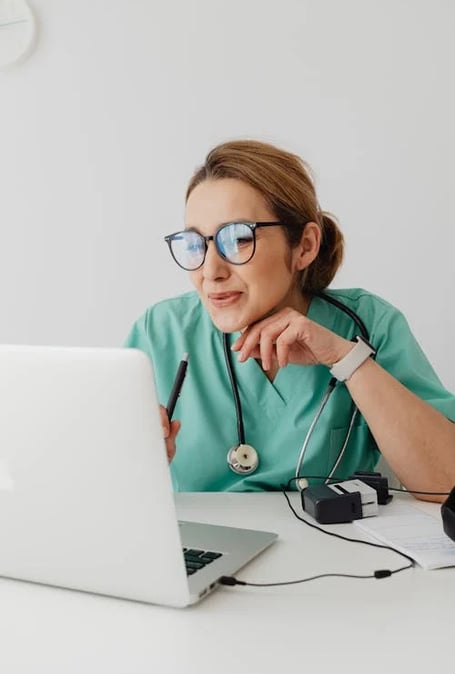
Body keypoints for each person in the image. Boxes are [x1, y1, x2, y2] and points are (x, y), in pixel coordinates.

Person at [125, 139, 455, 502]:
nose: (210, 271)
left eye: (236, 239)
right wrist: (133, 465)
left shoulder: (367, 324)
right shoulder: (161, 332)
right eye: (194, 244)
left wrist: (347, 361)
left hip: (334, 550)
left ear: (305, 246)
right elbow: (96, 492)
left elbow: (447, 483)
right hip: (206, 550)